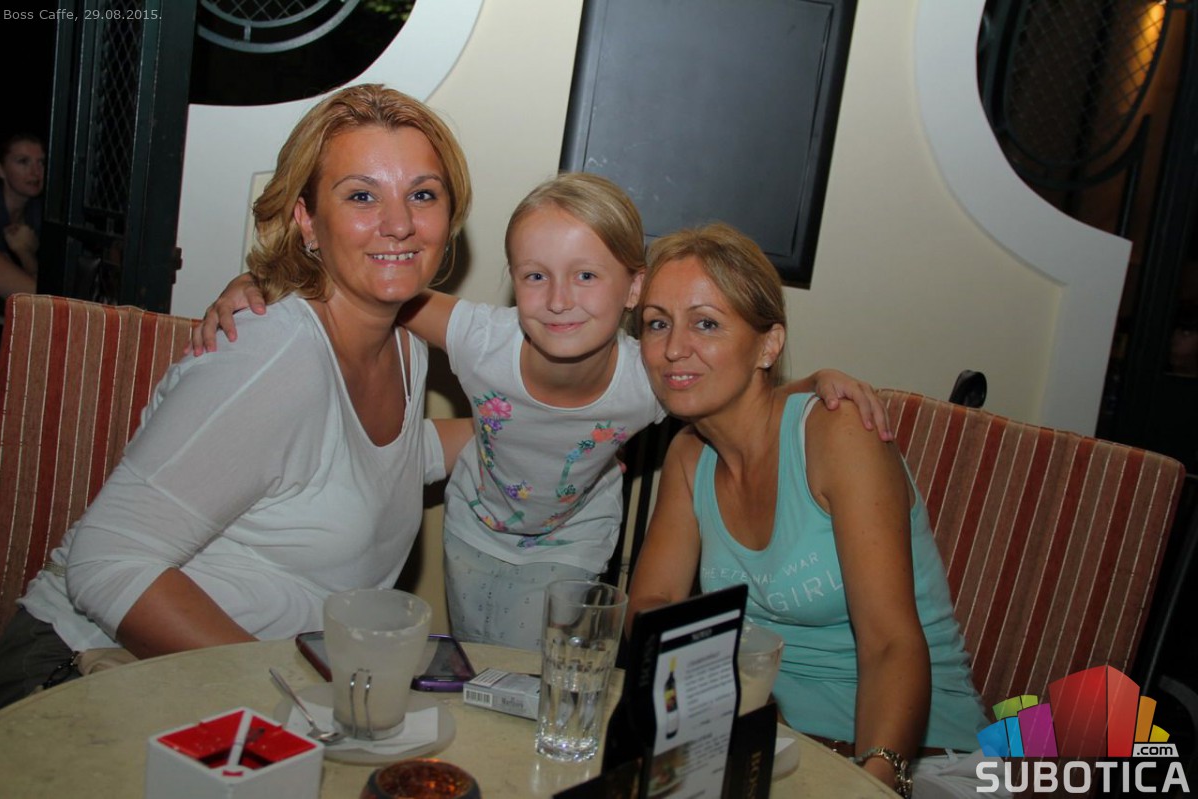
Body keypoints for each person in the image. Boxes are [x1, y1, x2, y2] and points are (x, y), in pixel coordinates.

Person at [189, 173, 893, 651]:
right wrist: (262, 282)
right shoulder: (479, 339)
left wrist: (813, 382)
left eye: (586, 275)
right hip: (475, 522)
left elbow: (733, 390)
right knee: (478, 664)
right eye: (535, 276)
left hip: (575, 539)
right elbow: (369, 284)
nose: (559, 299)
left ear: (633, 288)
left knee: (534, 678)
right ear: (513, 281)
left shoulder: (649, 375)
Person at [0, 84, 475, 709]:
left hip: (234, 684)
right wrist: (291, 701)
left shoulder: (406, 346)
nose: (400, 223)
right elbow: (109, 562)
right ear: (307, 220)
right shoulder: (276, 354)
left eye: (423, 194)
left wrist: (549, 434)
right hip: (81, 671)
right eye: (362, 195)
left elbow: (377, 458)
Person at [626, 223, 996, 799]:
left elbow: (891, 643)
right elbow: (650, 605)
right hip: (778, 747)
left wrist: (873, 783)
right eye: (657, 323)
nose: (674, 348)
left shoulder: (837, 434)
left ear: (768, 345)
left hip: (919, 757)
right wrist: (721, 696)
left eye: (706, 323)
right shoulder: (688, 457)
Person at [0, 132, 45, 298]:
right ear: (0, 169)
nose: (36, 172)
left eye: (41, 162)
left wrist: (26, 253)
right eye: (23, 161)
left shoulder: (41, 213)